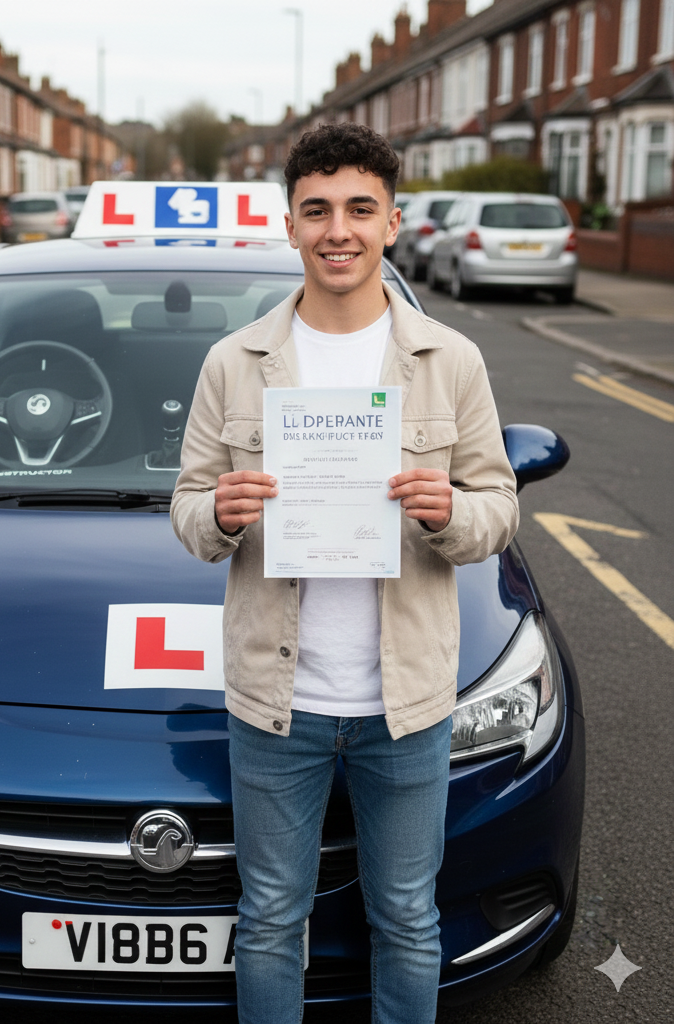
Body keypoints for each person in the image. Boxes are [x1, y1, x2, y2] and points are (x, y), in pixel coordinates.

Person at [170, 123, 519, 1024]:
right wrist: (220, 513)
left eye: (360, 209)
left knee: (405, 918)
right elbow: (186, 509)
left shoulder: (451, 361)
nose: (339, 230)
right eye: (316, 210)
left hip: (404, 705)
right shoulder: (233, 363)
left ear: (393, 222)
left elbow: (499, 508)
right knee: (270, 919)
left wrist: (448, 514)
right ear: (288, 225)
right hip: (274, 703)